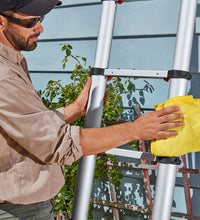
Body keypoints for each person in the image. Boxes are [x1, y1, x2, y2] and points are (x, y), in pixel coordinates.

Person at [0, 0, 183, 219]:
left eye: (41, 19)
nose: (40, 27)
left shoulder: (11, 64)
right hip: (18, 212)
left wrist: (76, 109)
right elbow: (57, 143)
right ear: (1, 22)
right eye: (31, 21)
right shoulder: (4, 75)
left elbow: (29, 127)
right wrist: (136, 130)